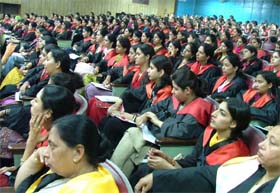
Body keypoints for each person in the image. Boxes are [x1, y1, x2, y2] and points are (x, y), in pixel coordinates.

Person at [111, 67, 213, 176]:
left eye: (176, 89)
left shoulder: (199, 108)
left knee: (133, 135)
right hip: (155, 137)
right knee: (132, 147)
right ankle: (116, 181)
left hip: (170, 146)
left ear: (188, 90)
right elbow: (155, 107)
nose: (172, 92)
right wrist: (146, 114)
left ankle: (112, 176)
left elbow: (180, 132)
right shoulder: (177, 99)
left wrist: (156, 121)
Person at [130, 98, 251, 187]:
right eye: (217, 109)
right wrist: (169, 160)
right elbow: (192, 160)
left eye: (222, 113)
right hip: (190, 177)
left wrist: (168, 168)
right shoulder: (210, 132)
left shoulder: (235, 154)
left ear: (233, 123)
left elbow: (205, 184)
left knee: (157, 181)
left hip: (201, 187)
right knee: (145, 168)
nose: (214, 114)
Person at [15, 115, 119, 193]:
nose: (45, 152)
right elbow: (20, 188)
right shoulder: (67, 170)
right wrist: (35, 157)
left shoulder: (92, 188)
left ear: (78, 153)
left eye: (52, 146)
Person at [99, 55, 173, 151]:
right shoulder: (153, 85)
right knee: (106, 120)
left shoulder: (166, 93)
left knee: (113, 124)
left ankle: (106, 153)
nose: (148, 71)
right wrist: (117, 104)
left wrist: (130, 116)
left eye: (151, 68)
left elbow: (153, 115)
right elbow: (131, 93)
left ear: (161, 72)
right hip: (139, 119)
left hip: (148, 128)